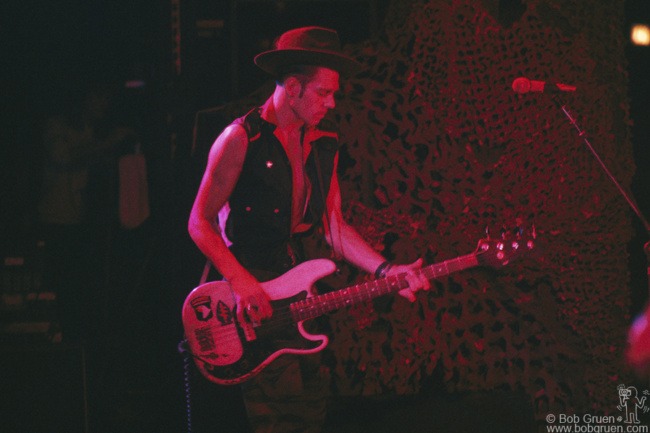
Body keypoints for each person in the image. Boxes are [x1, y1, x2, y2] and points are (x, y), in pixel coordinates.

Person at [188, 26, 431, 433]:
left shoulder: (323, 142)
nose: (332, 103)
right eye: (324, 93)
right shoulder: (239, 138)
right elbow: (199, 221)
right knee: (275, 417)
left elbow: (334, 225)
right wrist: (242, 281)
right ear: (295, 87)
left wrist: (387, 271)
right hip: (251, 300)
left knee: (309, 410)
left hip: (300, 294)